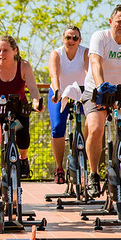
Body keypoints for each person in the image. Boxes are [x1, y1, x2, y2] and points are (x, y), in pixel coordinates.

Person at [82, 4, 121, 197]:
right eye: (119, 21)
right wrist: (102, 86)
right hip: (97, 88)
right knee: (95, 128)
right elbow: (95, 61)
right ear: (111, 22)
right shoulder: (100, 37)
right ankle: (93, 174)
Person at [0, 35, 43, 196]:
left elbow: (33, 90)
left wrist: (36, 102)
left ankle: (23, 159)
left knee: (22, 132)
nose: (1, 54)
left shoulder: (24, 66)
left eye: (5, 50)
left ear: (15, 51)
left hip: (18, 107)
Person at [48, 25, 88, 184]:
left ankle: (82, 150)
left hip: (81, 91)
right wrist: (57, 90)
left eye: (75, 38)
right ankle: (59, 168)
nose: (71, 41)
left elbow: (88, 71)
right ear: (63, 39)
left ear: (80, 40)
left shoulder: (85, 52)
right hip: (60, 91)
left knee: (94, 121)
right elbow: (54, 74)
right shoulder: (57, 54)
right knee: (58, 127)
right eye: (68, 37)